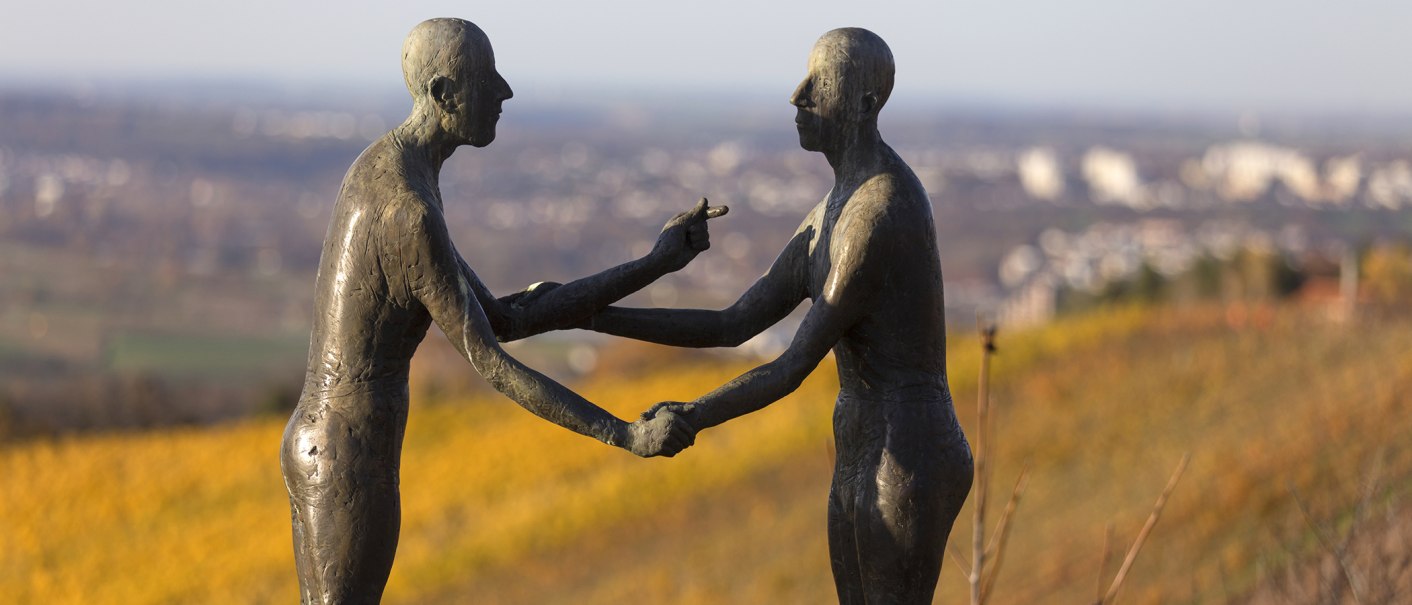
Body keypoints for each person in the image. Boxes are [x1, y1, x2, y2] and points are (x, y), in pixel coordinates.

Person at [278, 18, 723, 604]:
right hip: (346, 455)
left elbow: (505, 318)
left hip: (331, 443)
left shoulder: (397, 169)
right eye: (486, 78)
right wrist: (625, 434)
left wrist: (656, 263)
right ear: (443, 93)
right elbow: (493, 361)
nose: (505, 92)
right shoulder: (407, 210)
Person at [581, 28, 972, 603]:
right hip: (864, 442)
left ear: (865, 103)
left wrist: (693, 414)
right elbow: (732, 324)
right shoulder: (832, 209)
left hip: (909, 450)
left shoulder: (877, 215)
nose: (798, 94)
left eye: (821, 81)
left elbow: (791, 367)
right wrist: (590, 313)